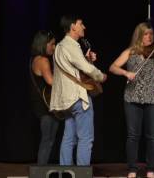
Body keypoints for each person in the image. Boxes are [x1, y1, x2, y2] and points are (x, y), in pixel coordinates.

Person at [109, 22, 154, 178]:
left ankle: (151, 169)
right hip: (132, 97)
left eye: (151, 34)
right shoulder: (130, 51)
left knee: (153, 136)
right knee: (133, 135)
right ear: (139, 35)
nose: (149, 37)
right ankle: (132, 169)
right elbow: (113, 67)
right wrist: (126, 73)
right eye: (146, 34)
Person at [50, 15, 107, 166]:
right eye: (81, 24)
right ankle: (82, 174)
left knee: (69, 138)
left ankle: (65, 172)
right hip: (77, 99)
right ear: (73, 26)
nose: (84, 27)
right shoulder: (71, 45)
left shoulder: (60, 47)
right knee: (85, 138)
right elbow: (87, 69)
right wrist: (101, 76)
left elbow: (74, 69)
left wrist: (85, 58)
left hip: (66, 101)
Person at [30, 30, 59, 165]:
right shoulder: (43, 60)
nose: (54, 47)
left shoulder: (34, 59)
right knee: (47, 140)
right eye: (52, 44)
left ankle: (41, 170)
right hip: (45, 106)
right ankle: (40, 172)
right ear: (44, 44)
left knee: (48, 140)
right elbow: (51, 81)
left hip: (42, 105)